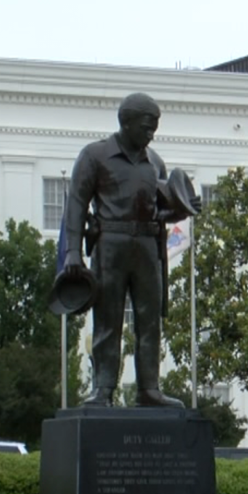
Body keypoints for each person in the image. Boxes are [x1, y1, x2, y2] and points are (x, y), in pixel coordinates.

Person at [60, 91, 199, 408]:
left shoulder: (155, 163)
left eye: (155, 127)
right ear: (127, 121)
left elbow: (162, 208)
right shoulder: (95, 156)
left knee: (150, 320)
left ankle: (149, 388)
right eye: (147, 126)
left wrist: (183, 208)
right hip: (111, 244)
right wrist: (72, 252)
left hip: (149, 246)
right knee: (108, 319)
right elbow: (77, 205)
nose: (151, 133)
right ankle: (104, 389)